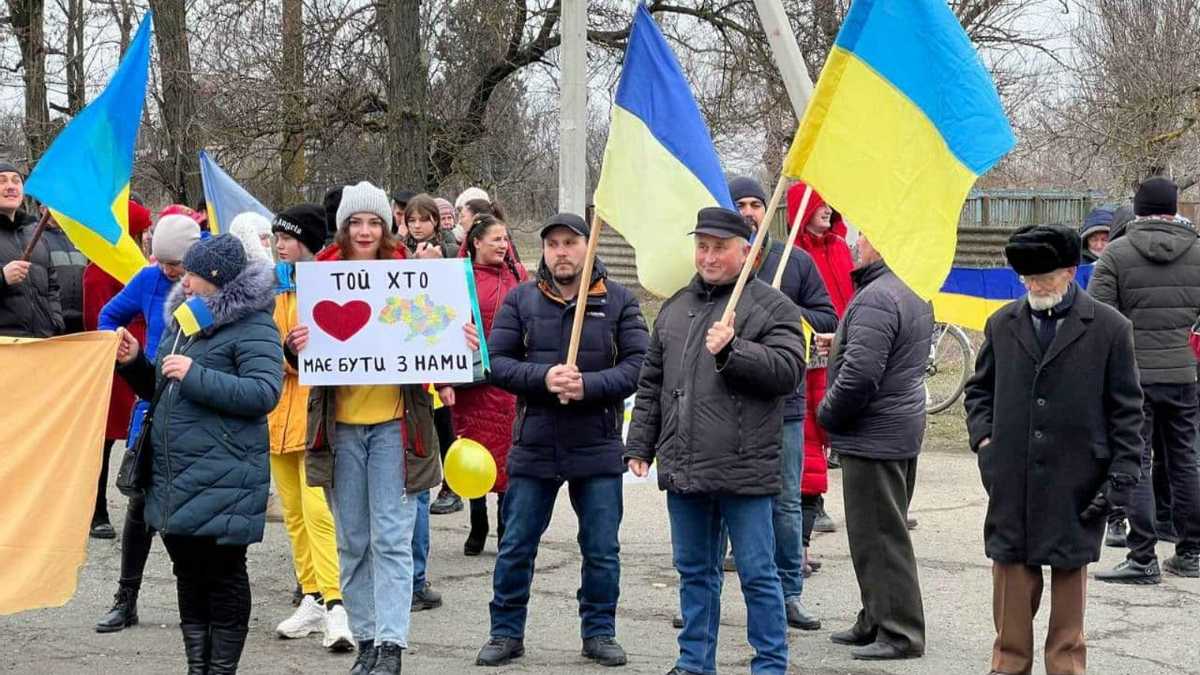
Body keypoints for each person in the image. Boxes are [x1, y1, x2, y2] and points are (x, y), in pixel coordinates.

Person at [626, 207, 805, 675]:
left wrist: (734, 350)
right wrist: (640, 445)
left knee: (757, 574)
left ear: (746, 251)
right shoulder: (675, 306)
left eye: (720, 247)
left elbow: (788, 372)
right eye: (702, 246)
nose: (708, 256)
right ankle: (693, 663)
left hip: (743, 468)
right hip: (684, 466)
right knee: (695, 573)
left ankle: (769, 665)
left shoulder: (773, 306)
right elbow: (652, 383)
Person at [964, 224, 1144, 675]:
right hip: (1013, 483)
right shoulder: (1002, 323)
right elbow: (978, 391)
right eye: (1025, 279)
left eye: (1042, 278)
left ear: (1069, 272)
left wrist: (1122, 476)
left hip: (1077, 483)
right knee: (1010, 620)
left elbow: (1127, 411)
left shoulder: (1109, 328)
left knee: (1067, 629)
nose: (1032, 287)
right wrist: (986, 443)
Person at [288, 181, 451, 675]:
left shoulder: (409, 275)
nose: (364, 230)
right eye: (355, 222)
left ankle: (392, 644)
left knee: (391, 539)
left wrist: (456, 336)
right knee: (352, 540)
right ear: (342, 228)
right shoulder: (321, 276)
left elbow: (438, 347)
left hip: (395, 430)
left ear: (387, 226)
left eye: (374, 222)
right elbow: (302, 361)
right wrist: (294, 345)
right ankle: (365, 640)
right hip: (338, 431)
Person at [474, 212, 647, 668]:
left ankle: (599, 631)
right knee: (516, 545)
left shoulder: (620, 301)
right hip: (535, 443)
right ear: (544, 251)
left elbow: (639, 367)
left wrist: (588, 386)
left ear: (588, 247)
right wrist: (545, 377)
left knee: (602, 550)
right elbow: (499, 362)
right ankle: (506, 632)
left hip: (598, 443)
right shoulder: (521, 299)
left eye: (571, 243)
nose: (562, 252)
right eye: (553, 244)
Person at [113, 233, 283, 674]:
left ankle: (221, 669)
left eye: (191, 274)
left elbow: (263, 393)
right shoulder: (184, 321)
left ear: (216, 278)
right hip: (176, 473)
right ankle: (198, 667)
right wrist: (134, 364)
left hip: (225, 473)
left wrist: (196, 375)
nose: (183, 281)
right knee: (187, 574)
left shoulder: (255, 325)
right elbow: (162, 389)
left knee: (224, 575)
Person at [817, 233, 932, 661]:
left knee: (880, 536)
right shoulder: (908, 287)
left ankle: (899, 631)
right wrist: (839, 346)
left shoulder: (876, 297)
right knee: (878, 533)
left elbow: (861, 376)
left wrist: (827, 414)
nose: (856, 242)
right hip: (897, 430)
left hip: (874, 435)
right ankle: (875, 616)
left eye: (864, 234)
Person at [730, 176, 837, 631]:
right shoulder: (716, 262)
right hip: (727, 401)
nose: (749, 212)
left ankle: (789, 594)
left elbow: (827, 315)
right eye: (741, 204)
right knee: (717, 500)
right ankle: (702, 598)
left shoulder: (792, 261)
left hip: (784, 401)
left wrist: (782, 310)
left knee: (786, 503)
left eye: (756, 203)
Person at [95, 213, 201, 634]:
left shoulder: (217, 280)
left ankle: (197, 597)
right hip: (151, 399)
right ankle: (126, 597)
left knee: (192, 505)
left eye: (174, 264)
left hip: (197, 403)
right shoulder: (146, 278)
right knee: (140, 504)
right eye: (160, 261)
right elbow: (108, 315)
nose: (166, 270)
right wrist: (117, 346)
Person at [1090, 177, 1200, 583]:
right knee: (1186, 460)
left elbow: (1099, 318)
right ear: (1175, 210)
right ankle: (1191, 552)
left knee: (1136, 461)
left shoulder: (1116, 255)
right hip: (1185, 374)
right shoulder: (1198, 252)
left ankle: (1142, 557)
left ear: (1137, 210)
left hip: (1133, 378)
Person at [265, 203, 354, 652]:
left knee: (320, 514)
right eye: (276, 236)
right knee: (294, 515)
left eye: (286, 236)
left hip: (314, 417)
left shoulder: (326, 286)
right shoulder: (273, 288)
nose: (279, 244)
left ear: (308, 242)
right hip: (276, 417)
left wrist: (286, 356)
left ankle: (337, 605)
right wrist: (281, 355)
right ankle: (312, 596)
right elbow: (264, 348)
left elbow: (327, 353)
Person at [452, 213, 528, 556]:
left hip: (509, 380)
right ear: (476, 243)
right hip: (473, 383)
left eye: (505, 239)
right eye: (495, 239)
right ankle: (478, 520)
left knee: (509, 455)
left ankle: (505, 526)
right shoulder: (457, 278)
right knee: (475, 454)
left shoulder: (519, 276)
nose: (502, 245)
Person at [83, 199, 153, 539]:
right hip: (115, 365)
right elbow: (99, 317)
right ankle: (95, 508)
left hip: (142, 358)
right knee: (104, 441)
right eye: (142, 232)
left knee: (142, 436)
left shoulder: (139, 266)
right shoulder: (100, 270)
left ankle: (143, 505)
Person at [790, 181, 854, 533]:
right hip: (810, 352)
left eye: (830, 204)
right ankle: (812, 505)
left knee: (829, 425)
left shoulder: (841, 249)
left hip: (843, 349)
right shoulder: (794, 255)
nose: (828, 209)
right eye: (819, 204)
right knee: (809, 428)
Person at [0, 161, 63, 337]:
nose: (10, 186)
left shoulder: (35, 233)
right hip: (5, 347)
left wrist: (55, 321)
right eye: (2, 181)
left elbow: (52, 286)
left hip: (42, 342)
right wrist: (3, 277)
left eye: (16, 181)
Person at [40, 210, 88, 334]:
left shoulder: (80, 238)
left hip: (82, 321)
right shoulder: (37, 238)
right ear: (42, 208)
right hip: (53, 322)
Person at [405, 193, 459, 259]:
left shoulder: (453, 251)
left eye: (423, 220)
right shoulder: (400, 250)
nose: (417, 226)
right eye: (412, 220)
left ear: (436, 220)